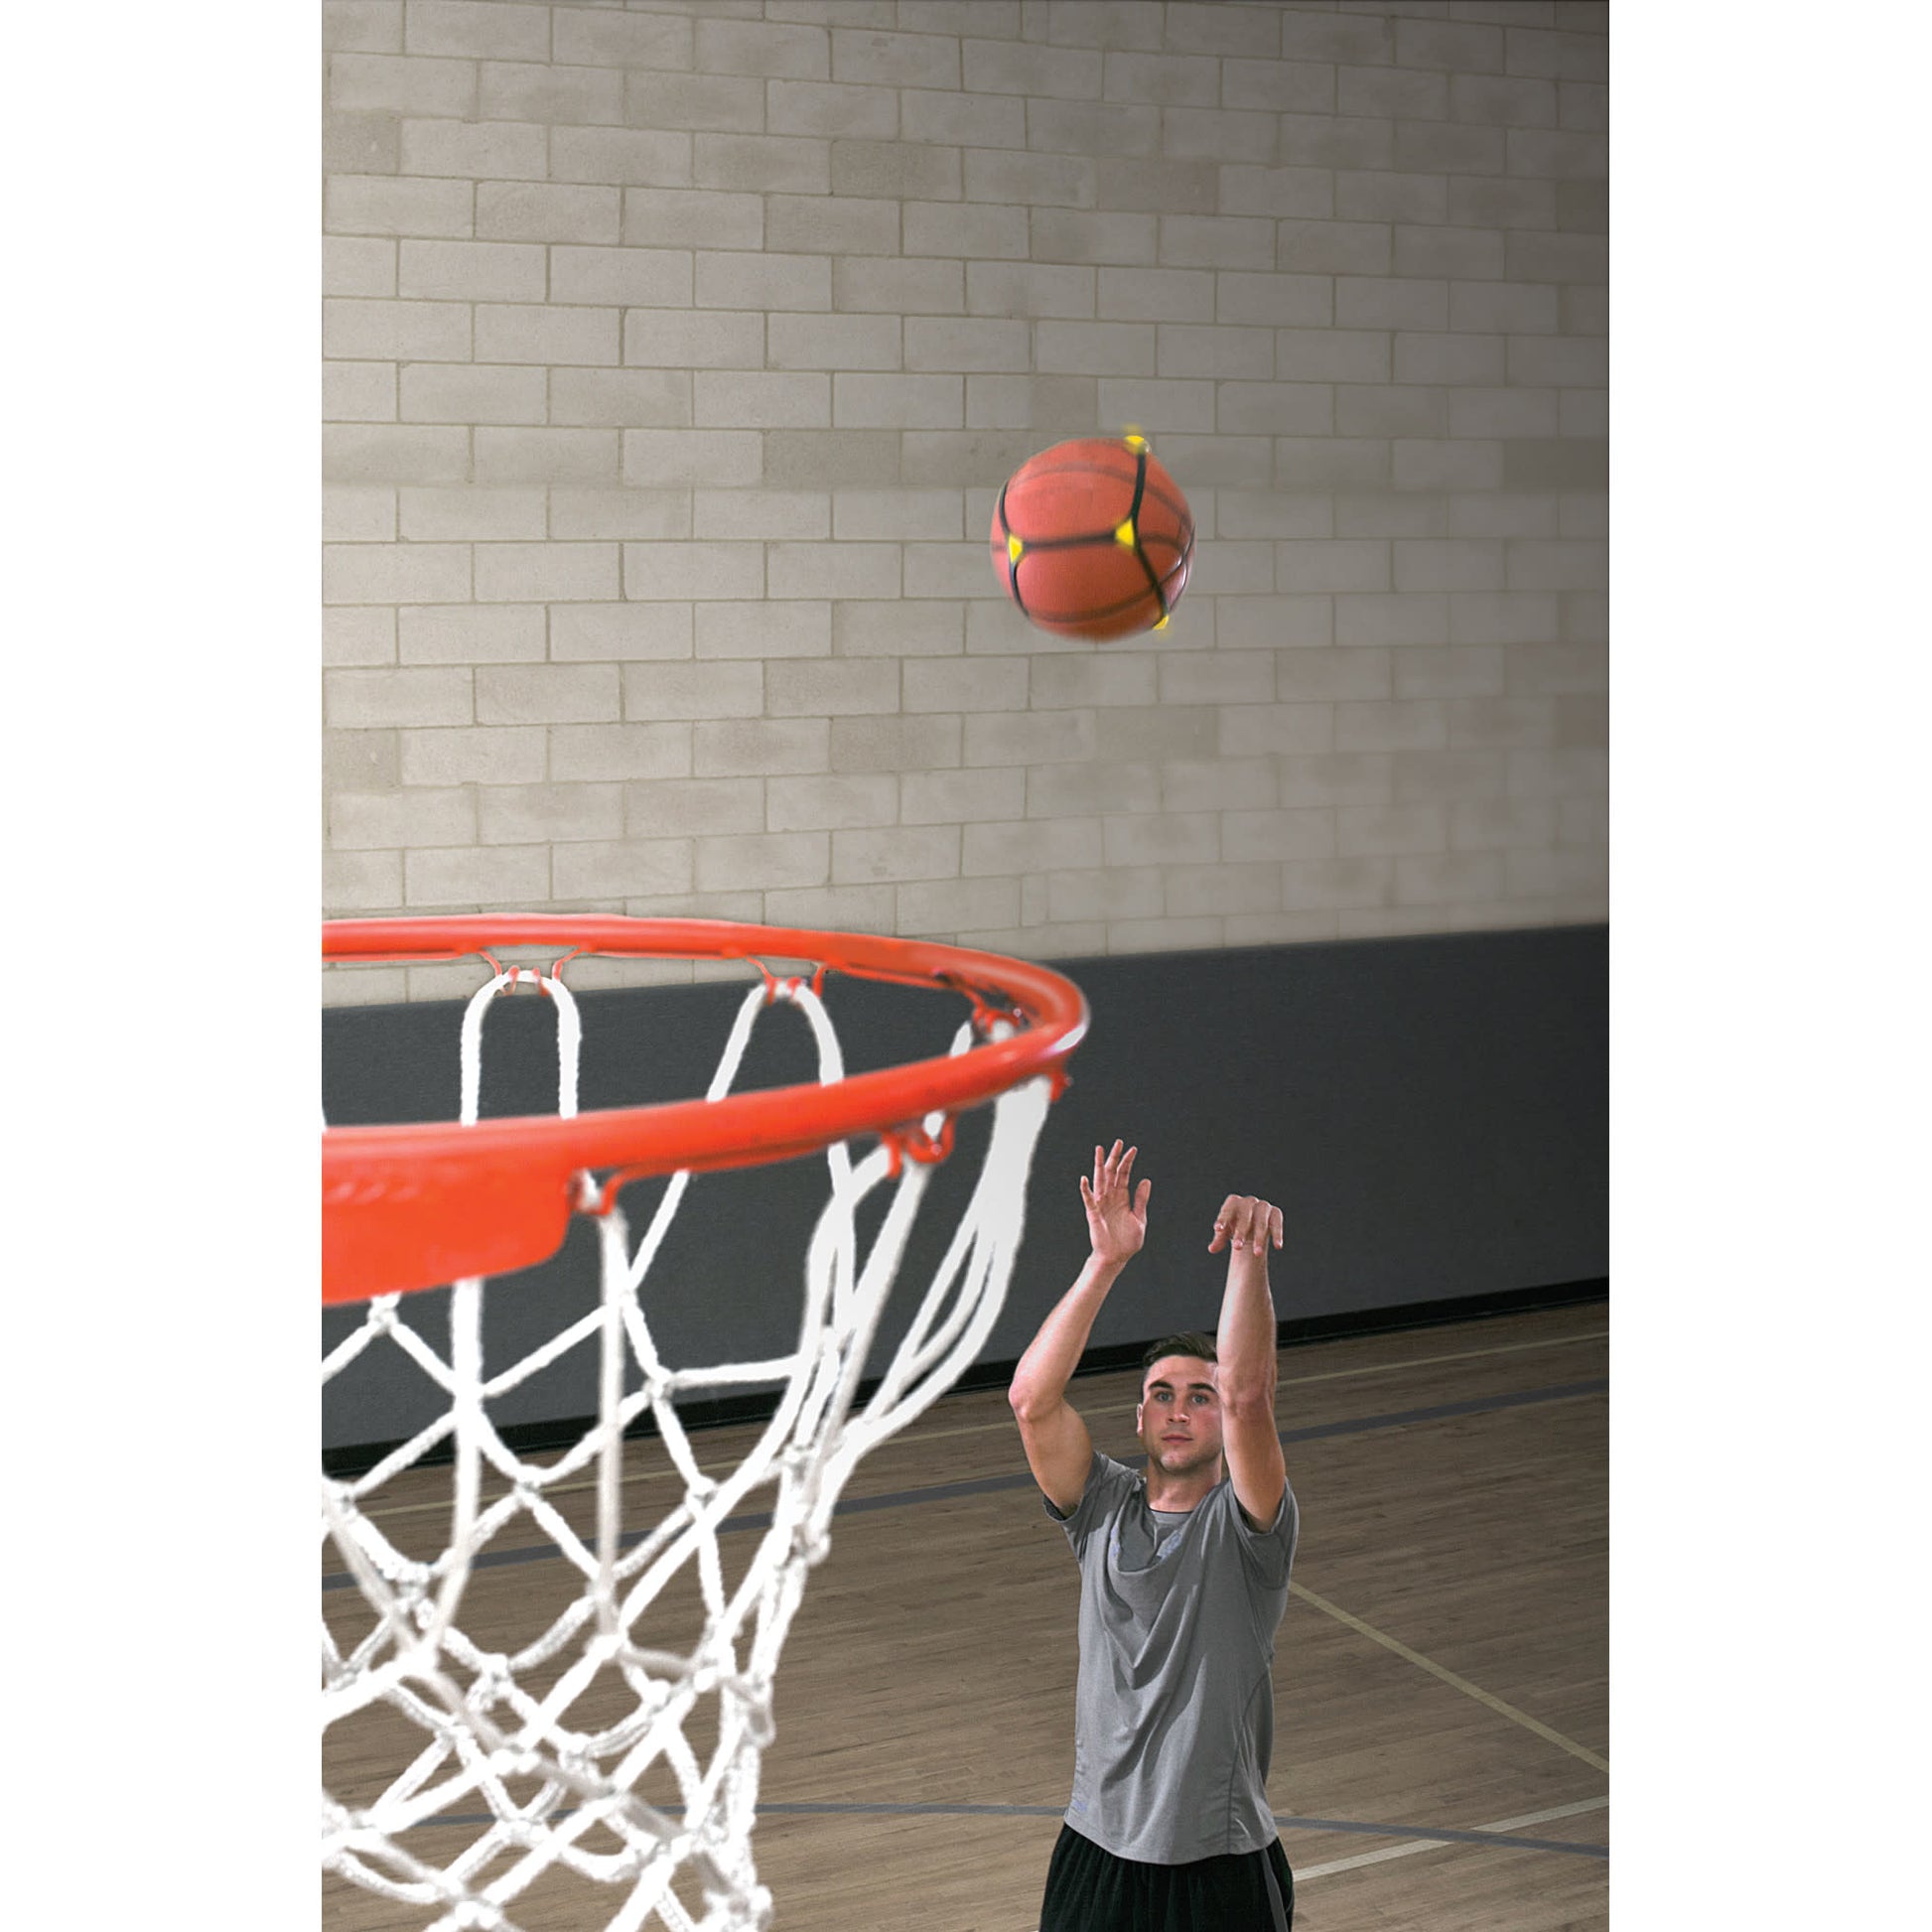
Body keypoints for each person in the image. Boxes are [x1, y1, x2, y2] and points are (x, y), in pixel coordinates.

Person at [1008, 1140, 1298, 1932]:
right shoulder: (1101, 1505)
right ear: (1137, 1417)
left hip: (1218, 1862)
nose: (1179, 1408)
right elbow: (1032, 1400)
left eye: (1197, 1396)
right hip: (1095, 1851)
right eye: (1161, 1394)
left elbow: (1248, 1398)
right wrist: (1104, 1263)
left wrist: (1248, 1257)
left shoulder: (1248, 1527)